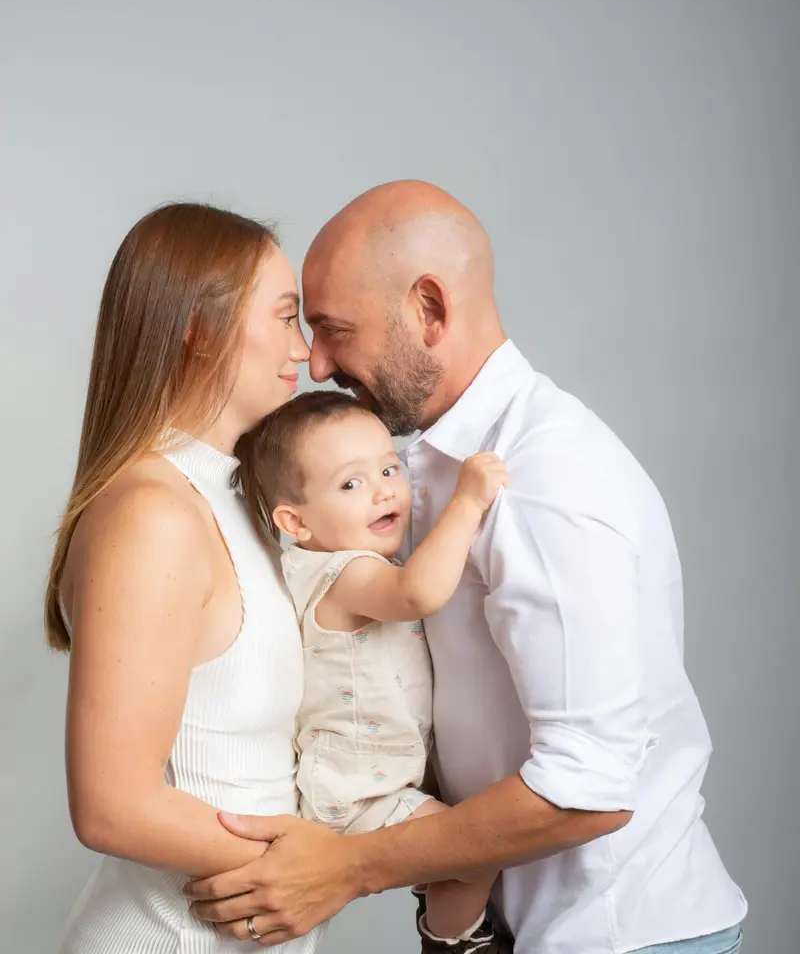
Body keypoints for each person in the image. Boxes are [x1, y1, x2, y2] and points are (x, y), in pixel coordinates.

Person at [186, 181, 748, 954]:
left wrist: (347, 866)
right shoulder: (414, 465)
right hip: (521, 931)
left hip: (619, 937)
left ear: (430, 310)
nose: (315, 362)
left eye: (334, 329)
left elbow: (588, 790)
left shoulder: (544, 479)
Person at [47, 202, 324, 953]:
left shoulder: (235, 500)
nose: (307, 353)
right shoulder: (153, 514)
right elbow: (112, 804)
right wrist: (325, 870)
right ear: (200, 328)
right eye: (286, 317)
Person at [243, 389, 508, 952]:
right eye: (350, 483)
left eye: (389, 467)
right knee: (477, 854)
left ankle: (444, 913)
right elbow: (419, 593)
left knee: (462, 847)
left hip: (373, 779)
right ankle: (453, 938)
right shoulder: (346, 573)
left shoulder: (329, 565)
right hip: (359, 791)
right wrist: (467, 501)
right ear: (296, 521)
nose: (384, 489)